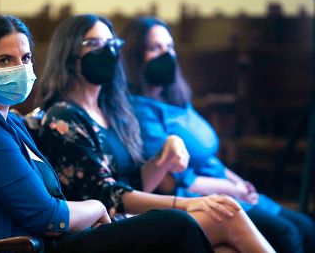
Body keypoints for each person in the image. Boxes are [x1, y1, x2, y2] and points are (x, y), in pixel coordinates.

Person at [0, 12, 219, 253]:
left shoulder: (3, 118)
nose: (20, 69)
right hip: (23, 246)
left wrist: (84, 213)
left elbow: (48, 200)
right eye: (5, 61)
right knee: (177, 225)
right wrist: (94, 208)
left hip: (45, 240)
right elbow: (46, 216)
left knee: (189, 230)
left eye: (26, 57)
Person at [35, 13, 275, 253]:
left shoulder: (113, 110)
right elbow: (107, 195)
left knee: (227, 249)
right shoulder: (63, 117)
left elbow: (136, 183)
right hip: (101, 229)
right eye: (94, 44)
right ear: (68, 53)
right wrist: (188, 203)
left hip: (129, 218)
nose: (106, 52)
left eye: (111, 45)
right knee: (227, 215)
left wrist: (165, 156)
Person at [121, 16, 315, 253]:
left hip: (226, 186)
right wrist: (232, 189)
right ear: (134, 57)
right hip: (201, 197)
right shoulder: (140, 110)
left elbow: (208, 157)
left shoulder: (176, 99)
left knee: (307, 226)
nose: (166, 54)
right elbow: (172, 181)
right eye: (155, 48)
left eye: (169, 47)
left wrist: (237, 181)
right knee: (288, 232)